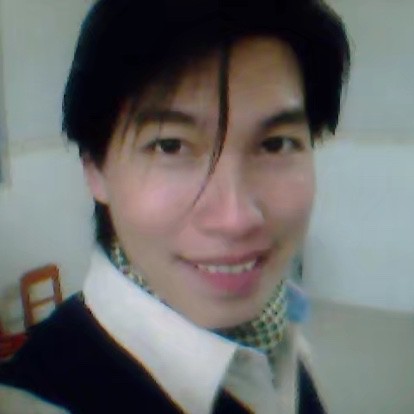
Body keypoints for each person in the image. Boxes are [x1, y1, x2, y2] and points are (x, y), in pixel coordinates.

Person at [0, 1, 350, 412]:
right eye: (170, 146)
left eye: (275, 144)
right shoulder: (31, 399)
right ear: (95, 168)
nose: (236, 219)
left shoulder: (276, 326)